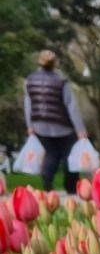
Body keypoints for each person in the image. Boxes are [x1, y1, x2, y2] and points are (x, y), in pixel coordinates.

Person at [22, 50, 89, 192]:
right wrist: (80, 129)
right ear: (55, 63)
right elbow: (71, 105)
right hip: (63, 125)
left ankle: (47, 183)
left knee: (51, 154)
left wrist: (30, 126)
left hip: (40, 125)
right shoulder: (61, 80)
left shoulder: (29, 80)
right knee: (69, 156)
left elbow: (28, 104)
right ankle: (71, 187)